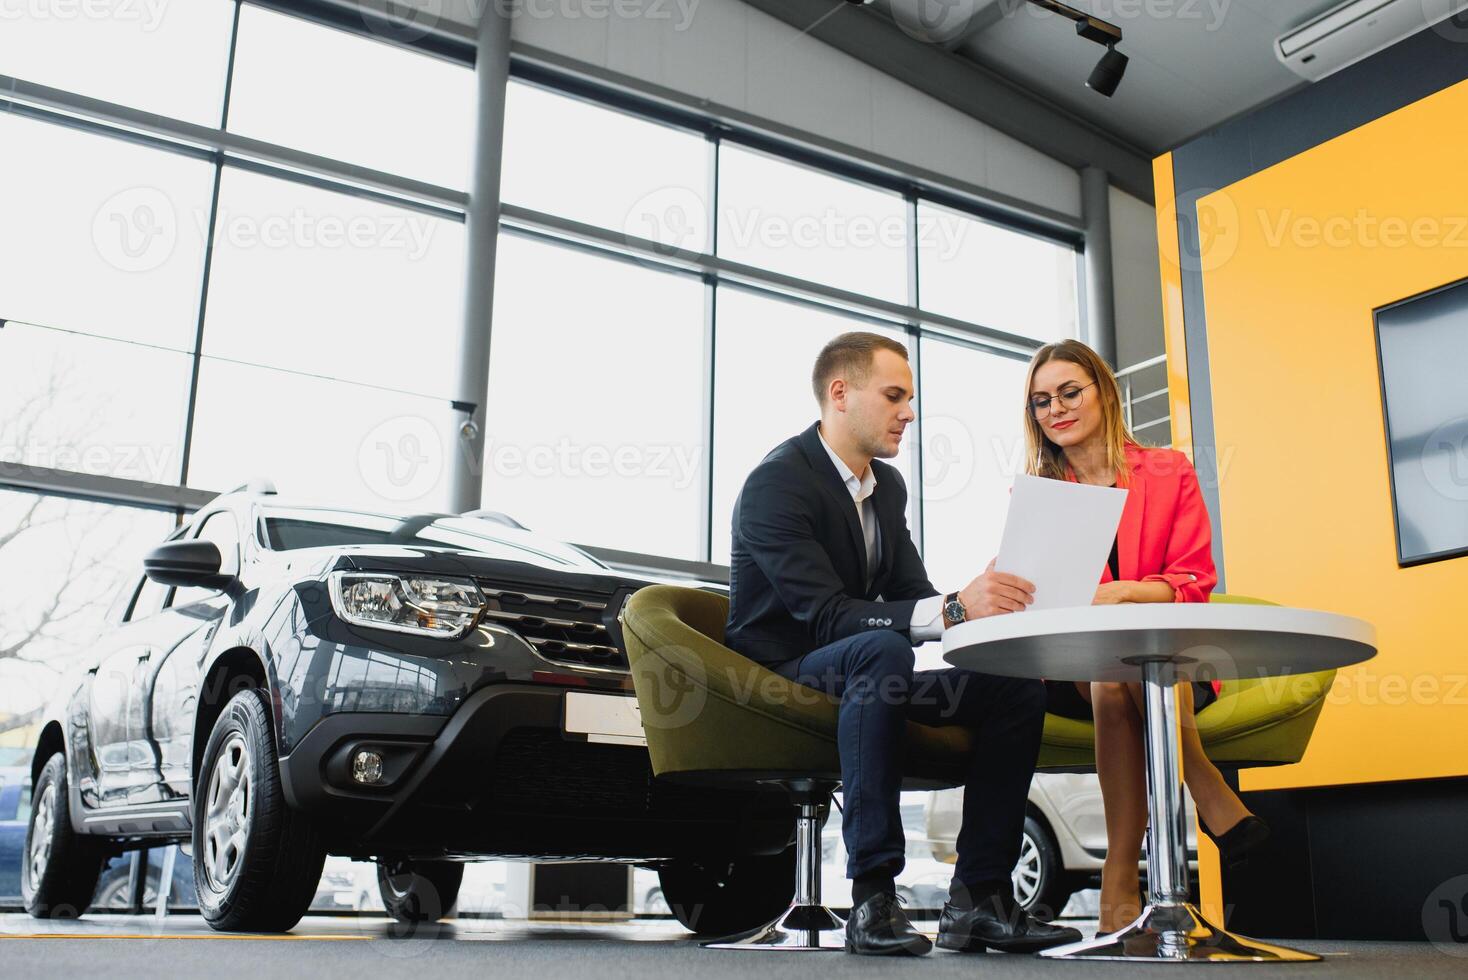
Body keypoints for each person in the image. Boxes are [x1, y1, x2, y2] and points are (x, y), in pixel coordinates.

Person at [725, 331, 1082, 957]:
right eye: (894, 396)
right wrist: (949, 608)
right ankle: (872, 898)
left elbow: (911, 592)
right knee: (882, 652)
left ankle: (980, 899)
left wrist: (994, 608)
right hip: (782, 673)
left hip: (866, 670)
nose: (909, 413)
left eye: (910, 398)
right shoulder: (776, 484)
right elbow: (827, 617)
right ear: (841, 393)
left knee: (1013, 686)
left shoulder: (885, 488)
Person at [1021, 339, 1270, 935]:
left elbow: (1194, 581)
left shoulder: (1168, 471)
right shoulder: (1038, 495)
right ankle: (1206, 787)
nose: (1056, 408)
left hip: (1168, 663)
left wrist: (1126, 593)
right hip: (1070, 666)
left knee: (1119, 675)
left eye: (1069, 392)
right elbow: (1027, 587)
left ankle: (1118, 881)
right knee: (1107, 669)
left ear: (1103, 392)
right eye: (1040, 401)